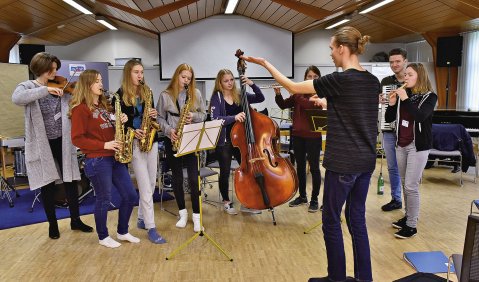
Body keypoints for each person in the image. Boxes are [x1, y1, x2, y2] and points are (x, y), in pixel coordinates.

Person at [241, 26, 380, 282]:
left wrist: (264, 63)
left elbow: (292, 86)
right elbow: (356, 111)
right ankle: (364, 279)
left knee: (330, 220)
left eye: (331, 49)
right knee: (356, 220)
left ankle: (336, 278)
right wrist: (328, 103)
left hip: (343, 162)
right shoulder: (372, 81)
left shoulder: (338, 80)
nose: (330, 54)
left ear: (341, 48)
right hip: (365, 162)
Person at [12, 52, 93, 240]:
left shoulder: (62, 85)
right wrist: (45, 90)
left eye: (56, 68)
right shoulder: (28, 86)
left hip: (62, 141)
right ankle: (53, 225)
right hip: (42, 142)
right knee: (47, 184)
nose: (56, 72)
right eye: (53, 69)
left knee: (71, 181)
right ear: (43, 69)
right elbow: (17, 98)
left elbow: (74, 101)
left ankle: (75, 220)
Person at [70, 69, 140, 248]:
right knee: (103, 198)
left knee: (130, 195)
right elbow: (77, 139)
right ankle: (103, 236)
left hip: (115, 157)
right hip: (98, 159)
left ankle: (122, 231)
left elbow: (107, 127)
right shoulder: (80, 109)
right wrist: (104, 145)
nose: (101, 84)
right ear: (87, 85)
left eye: (101, 80)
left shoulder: (103, 106)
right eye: (97, 81)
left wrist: (120, 120)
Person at [112, 59, 166, 244]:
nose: (140, 75)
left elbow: (152, 116)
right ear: (128, 73)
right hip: (134, 144)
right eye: (136, 72)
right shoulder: (119, 96)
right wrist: (134, 131)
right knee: (144, 185)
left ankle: (142, 218)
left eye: (142, 72)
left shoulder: (147, 91)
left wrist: (153, 114)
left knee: (151, 183)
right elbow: (119, 124)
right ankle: (151, 227)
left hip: (150, 140)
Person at [385, 63, 437, 239]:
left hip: (418, 146)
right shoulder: (403, 95)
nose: (405, 77)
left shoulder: (430, 97)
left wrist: (404, 99)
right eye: (405, 75)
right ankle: (407, 217)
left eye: (409, 74)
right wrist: (392, 104)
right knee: (404, 183)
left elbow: (420, 117)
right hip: (401, 144)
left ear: (419, 76)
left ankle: (412, 225)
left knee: (410, 186)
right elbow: (389, 118)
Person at [156, 63, 206, 232]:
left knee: (193, 179)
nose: (186, 81)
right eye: (183, 77)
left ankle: (197, 217)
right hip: (173, 139)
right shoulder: (165, 95)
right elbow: (159, 119)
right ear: (177, 76)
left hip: (191, 138)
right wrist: (169, 131)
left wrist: (194, 116)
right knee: (177, 178)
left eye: (189, 78)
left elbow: (204, 114)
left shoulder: (196, 94)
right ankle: (183, 213)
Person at [210, 69, 265, 215]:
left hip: (241, 139)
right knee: (225, 171)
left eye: (231, 80)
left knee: (247, 169)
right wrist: (233, 117)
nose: (229, 83)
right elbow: (214, 119)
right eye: (226, 81)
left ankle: (246, 201)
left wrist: (252, 84)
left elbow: (260, 98)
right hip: (225, 141)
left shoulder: (239, 94)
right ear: (220, 83)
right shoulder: (217, 97)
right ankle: (227, 202)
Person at [274, 65, 325, 213]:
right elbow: (283, 105)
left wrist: (295, 92)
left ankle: (314, 199)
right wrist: (278, 93)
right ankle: (303, 196)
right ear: (305, 78)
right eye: (309, 76)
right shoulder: (298, 94)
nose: (312, 79)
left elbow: (310, 105)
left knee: (315, 168)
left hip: (313, 137)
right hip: (297, 135)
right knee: (300, 167)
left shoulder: (320, 95)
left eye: (315, 77)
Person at [379, 48, 407, 212]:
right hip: (389, 129)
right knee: (392, 166)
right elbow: (384, 104)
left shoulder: (412, 80)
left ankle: (407, 202)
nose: (394, 64)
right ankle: (396, 199)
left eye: (397, 61)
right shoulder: (386, 82)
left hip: (406, 132)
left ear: (405, 61)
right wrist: (381, 99)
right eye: (391, 62)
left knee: (405, 168)